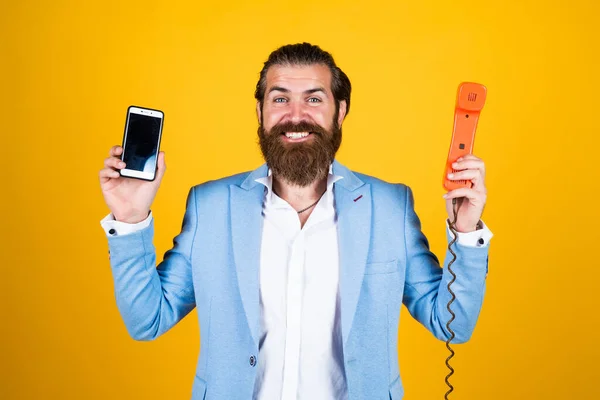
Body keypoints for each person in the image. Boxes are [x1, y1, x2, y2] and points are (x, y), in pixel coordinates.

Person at [99, 43, 493, 400]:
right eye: (280, 98)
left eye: (314, 99)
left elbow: (451, 325)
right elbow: (148, 320)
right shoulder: (211, 206)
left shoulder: (389, 206)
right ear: (260, 112)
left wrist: (466, 232)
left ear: (340, 111)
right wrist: (130, 220)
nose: (296, 115)